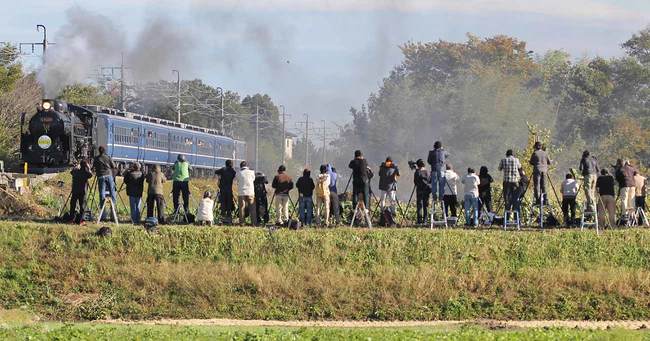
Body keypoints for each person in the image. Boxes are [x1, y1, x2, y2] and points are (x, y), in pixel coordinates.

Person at [499, 149, 522, 215]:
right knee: (515, 198)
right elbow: (519, 167)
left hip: (506, 182)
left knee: (507, 199)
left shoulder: (503, 160)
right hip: (515, 182)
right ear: (513, 154)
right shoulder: (516, 160)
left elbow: (499, 168)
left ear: (506, 154)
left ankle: (507, 217)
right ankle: (516, 217)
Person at [236, 161, 257, 225]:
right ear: (247, 166)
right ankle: (254, 223)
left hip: (241, 192)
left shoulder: (238, 173)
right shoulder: (252, 172)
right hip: (250, 191)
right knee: (252, 207)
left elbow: (238, 181)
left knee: (242, 207)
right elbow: (253, 179)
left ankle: (242, 223)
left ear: (241, 166)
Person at [414, 159, 431, 225]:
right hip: (426, 190)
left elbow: (415, 182)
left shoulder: (417, 172)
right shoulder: (427, 172)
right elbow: (430, 181)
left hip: (419, 190)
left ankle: (419, 220)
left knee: (419, 206)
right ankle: (425, 220)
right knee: (425, 206)